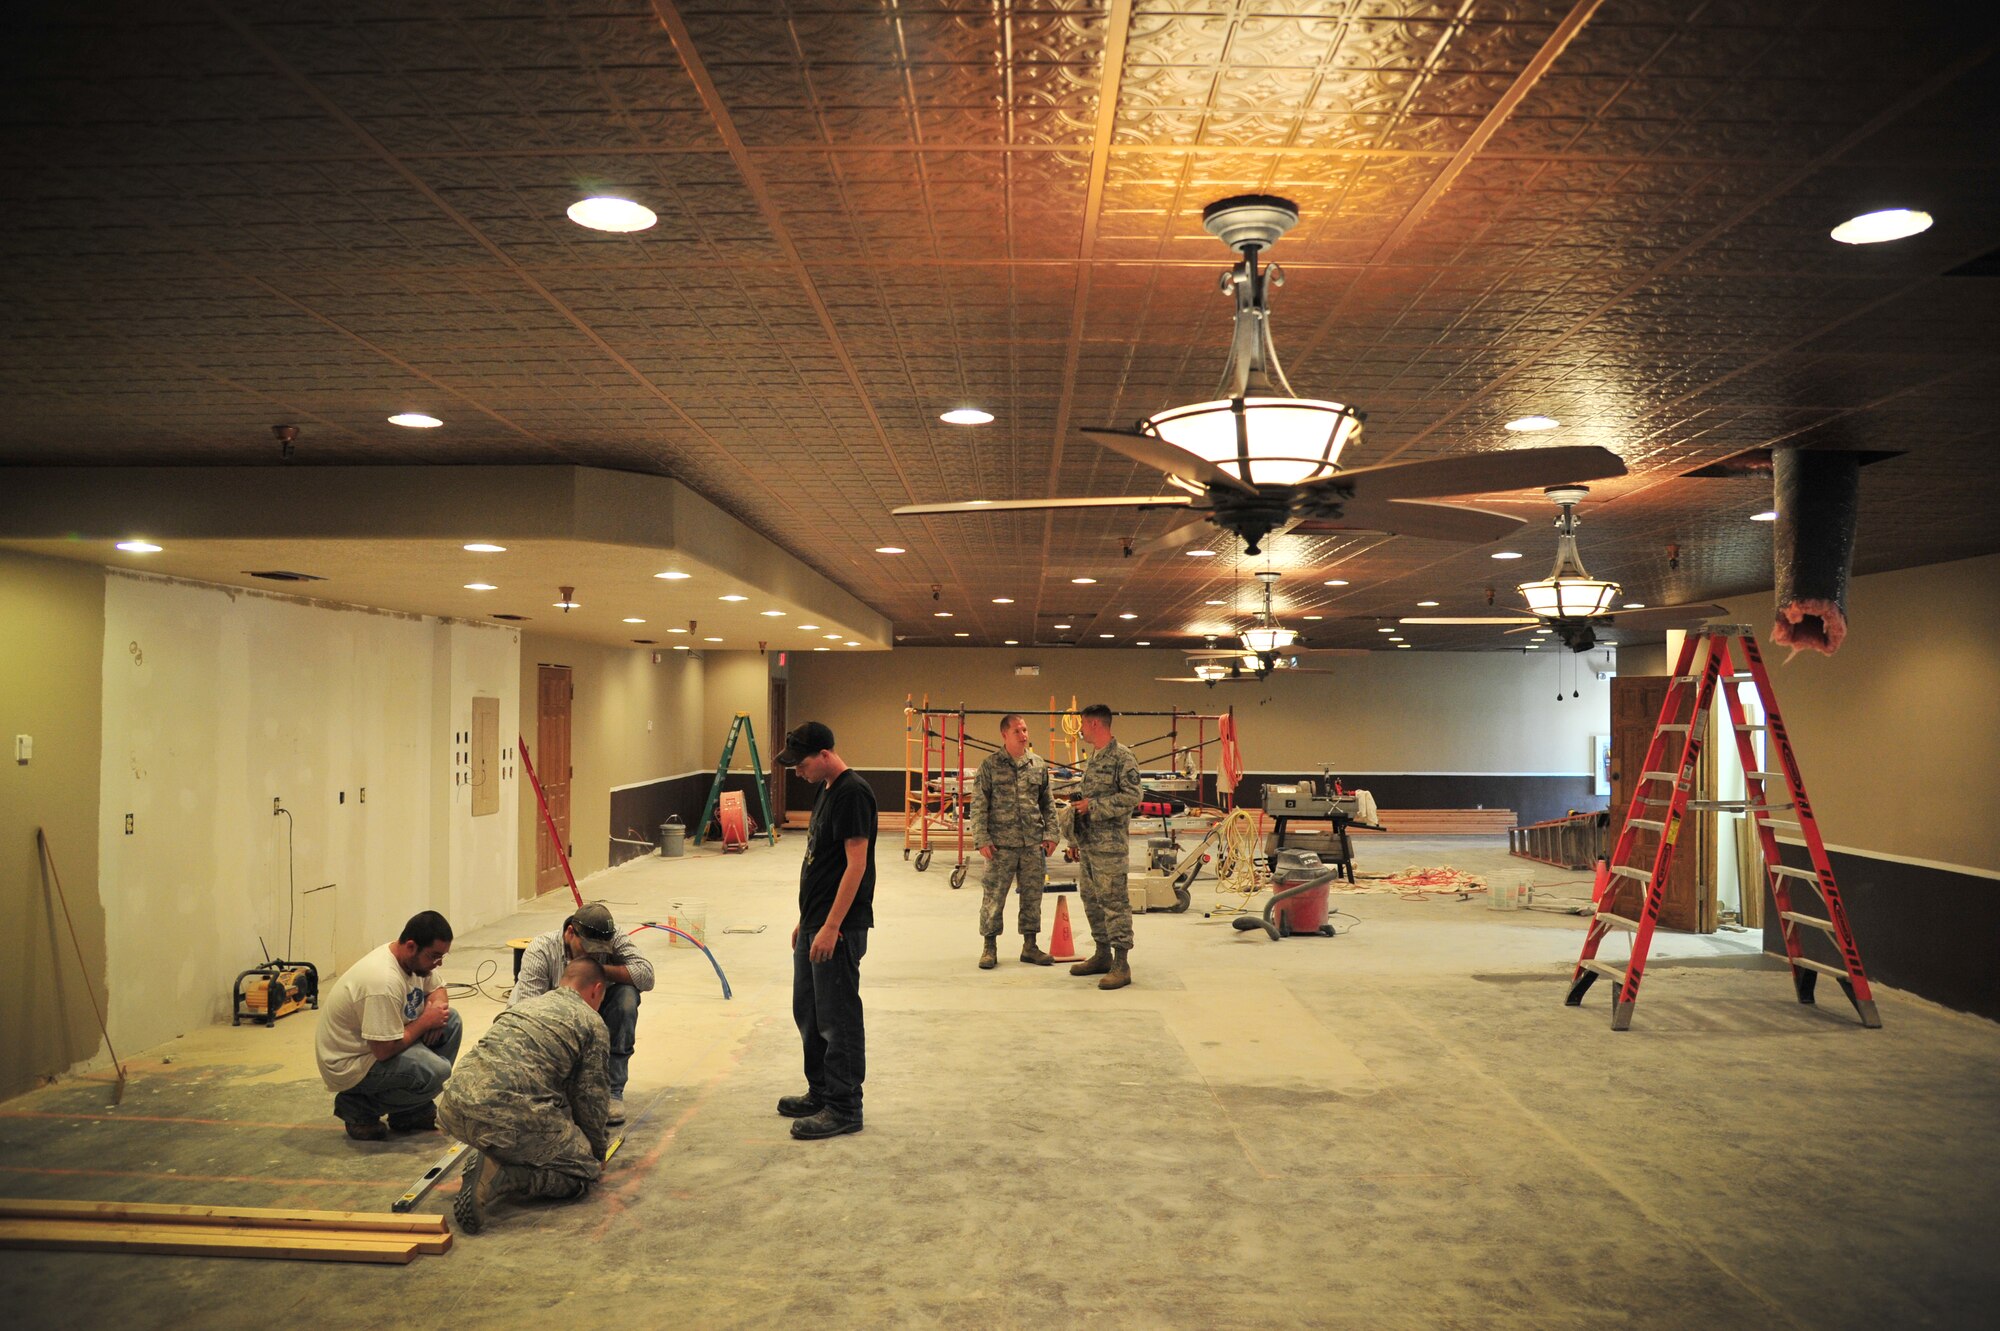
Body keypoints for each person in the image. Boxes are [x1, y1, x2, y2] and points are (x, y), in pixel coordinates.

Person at [442, 957, 613, 1235]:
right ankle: (504, 1176)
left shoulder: (525, 1005)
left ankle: (499, 1154)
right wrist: (597, 1151)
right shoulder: (591, 1022)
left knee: (540, 1125)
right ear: (596, 989)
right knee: (582, 1172)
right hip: (506, 1116)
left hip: (454, 1106)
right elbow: (591, 1096)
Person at [774, 721, 875, 1140]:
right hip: (817, 922)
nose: (798, 771)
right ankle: (821, 1091)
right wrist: (807, 920)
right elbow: (821, 859)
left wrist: (832, 926)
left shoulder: (853, 792)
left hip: (839, 927)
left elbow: (856, 865)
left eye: (801, 764)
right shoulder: (827, 789)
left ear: (824, 755)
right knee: (810, 1013)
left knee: (838, 1017)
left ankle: (845, 1105)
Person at [314, 911, 462, 1141]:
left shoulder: (411, 961)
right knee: (438, 1073)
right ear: (411, 946)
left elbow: (438, 989)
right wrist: (424, 1022)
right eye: (434, 956)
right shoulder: (382, 981)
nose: (438, 963)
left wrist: (437, 1010)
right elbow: (383, 1050)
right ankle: (358, 1106)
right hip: (353, 1064)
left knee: (450, 1020)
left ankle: (409, 1111)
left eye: (442, 957)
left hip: (379, 1047)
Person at [510, 900, 654, 1126]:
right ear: (570, 932)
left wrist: (595, 971)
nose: (593, 955)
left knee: (626, 996)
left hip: (593, 1013)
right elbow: (527, 1011)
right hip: (549, 1019)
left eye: (599, 952)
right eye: (587, 949)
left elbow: (646, 976)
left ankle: (612, 1091)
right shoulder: (541, 949)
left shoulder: (612, 937)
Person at [970, 712, 1059, 970]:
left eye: (1025, 730)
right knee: (994, 897)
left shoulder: (1038, 765)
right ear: (1004, 735)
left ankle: (1030, 946)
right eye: (1018, 731)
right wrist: (982, 838)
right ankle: (989, 946)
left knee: (1033, 896)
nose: (1023, 736)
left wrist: (1052, 834)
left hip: (1032, 844)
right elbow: (978, 806)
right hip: (1000, 846)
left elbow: (1048, 804)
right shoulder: (990, 766)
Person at [1069, 704, 1142, 990]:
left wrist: (1094, 806)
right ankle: (1102, 953)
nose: (1081, 730)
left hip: (1110, 846)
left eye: (1083, 725)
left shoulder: (1122, 757)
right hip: (1089, 843)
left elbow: (1133, 796)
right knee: (1091, 899)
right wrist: (1076, 837)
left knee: (1114, 902)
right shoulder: (1095, 757)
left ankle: (1121, 964)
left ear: (1096, 725)